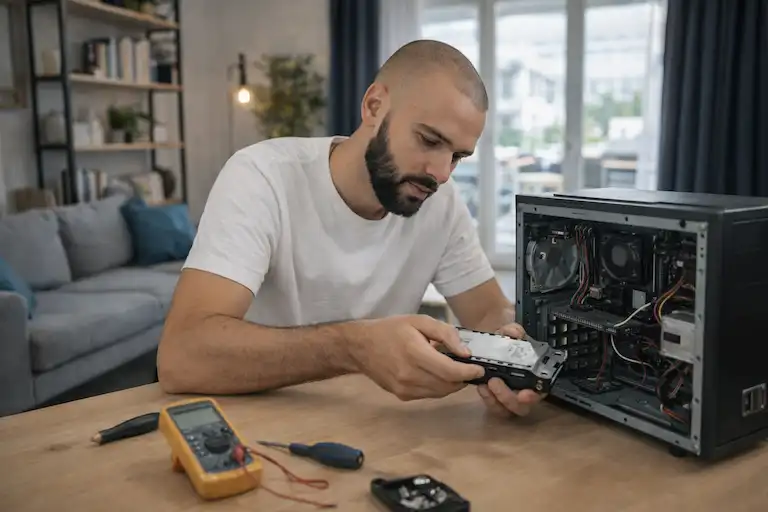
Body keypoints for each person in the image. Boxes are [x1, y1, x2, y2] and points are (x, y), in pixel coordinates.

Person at [157, 39, 543, 418]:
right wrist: (353, 347)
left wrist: (513, 351)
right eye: (429, 140)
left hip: (379, 424)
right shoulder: (262, 176)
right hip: (262, 423)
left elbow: (488, 310)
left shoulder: (440, 200)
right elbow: (182, 355)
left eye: (457, 156)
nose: (441, 174)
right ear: (374, 106)